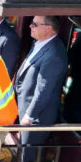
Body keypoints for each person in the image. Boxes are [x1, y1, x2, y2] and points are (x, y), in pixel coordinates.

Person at [14, 15, 68, 153]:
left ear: (49, 28)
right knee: (21, 151)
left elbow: (44, 90)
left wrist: (29, 116)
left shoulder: (54, 54)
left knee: (28, 157)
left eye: (35, 24)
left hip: (36, 118)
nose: (30, 26)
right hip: (24, 109)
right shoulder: (41, 42)